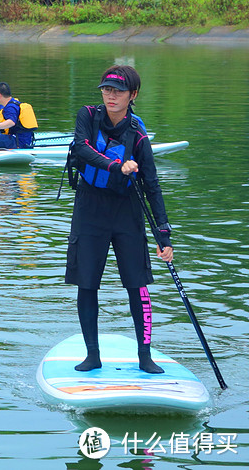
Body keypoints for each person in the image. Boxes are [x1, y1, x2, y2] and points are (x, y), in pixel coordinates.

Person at [65, 65, 173, 374]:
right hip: (90, 207)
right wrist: (116, 166)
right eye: (106, 90)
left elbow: (151, 184)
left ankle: (145, 356)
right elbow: (83, 149)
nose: (111, 96)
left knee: (137, 284)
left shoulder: (138, 134)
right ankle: (92, 355)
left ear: (133, 95)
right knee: (87, 283)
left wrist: (163, 234)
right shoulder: (88, 115)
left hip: (126, 210)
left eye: (118, 91)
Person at [0, 82, 37, 149]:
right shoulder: (14, 103)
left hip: (18, 142)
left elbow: (11, 122)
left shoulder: (10, 107)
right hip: (25, 141)